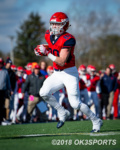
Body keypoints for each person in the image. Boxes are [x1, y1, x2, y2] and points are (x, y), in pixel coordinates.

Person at [34, 12, 103, 132]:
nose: (54, 27)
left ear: (65, 25)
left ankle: (96, 120)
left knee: (75, 104)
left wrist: (46, 53)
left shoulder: (69, 39)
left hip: (69, 73)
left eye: (57, 24)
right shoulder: (48, 35)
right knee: (43, 92)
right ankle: (62, 112)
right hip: (57, 73)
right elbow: (52, 46)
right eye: (53, 24)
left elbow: (61, 60)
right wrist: (42, 48)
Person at [0, 58, 11, 125]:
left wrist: (9, 89)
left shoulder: (5, 71)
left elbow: (8, 81)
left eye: (1, 63)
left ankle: (2, 119)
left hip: (3, 91)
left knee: (2, 106)